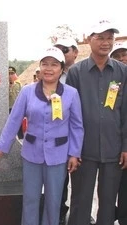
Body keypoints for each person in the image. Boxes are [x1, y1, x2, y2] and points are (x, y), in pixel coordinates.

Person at [0, 47, 84, 225]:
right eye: (45, 64)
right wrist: (1, 147)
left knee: (53, 200)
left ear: (62, 68)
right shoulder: (27, 91)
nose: (49, 69)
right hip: (31, 154)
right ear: (40, 67)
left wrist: (74, 153)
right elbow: (14, 121)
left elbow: (77, 126)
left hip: (58, 155)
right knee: (30, 199)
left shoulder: (72, 93)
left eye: (54, 64)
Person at [66, 20, 127, 225]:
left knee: (109, 202)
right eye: (100, 37)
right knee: (80, 201)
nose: (105, 42)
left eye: (109, 38)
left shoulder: (122, 72)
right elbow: (70, 114)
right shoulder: (76, 72)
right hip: (84, 148)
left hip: (113, 148)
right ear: (89, 40)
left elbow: (125, 111)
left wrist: (126, 146)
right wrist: (72, 149)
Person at [54, 37, 81, 225]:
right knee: (60, 181)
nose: (61, 53)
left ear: (75, 52)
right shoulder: (52, 75)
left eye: (65, 49)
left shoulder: (83, 73)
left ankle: (81, 213)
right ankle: (59, 213)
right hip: (60, 137)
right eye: (57, 49)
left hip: (80, 133)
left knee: (81, 180)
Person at [109, 41, 127, 225]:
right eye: (118, 56)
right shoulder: (114, 83)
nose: (122, 59)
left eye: (125, 54)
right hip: (118, 143)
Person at [9, 66, 24, 139]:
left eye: (12, 73)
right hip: (7, 109)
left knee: (19, 126)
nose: (10, 75)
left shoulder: (18, 85)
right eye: (8, 73)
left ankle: (21, 139)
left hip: (16, 108)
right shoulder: (3, 85)